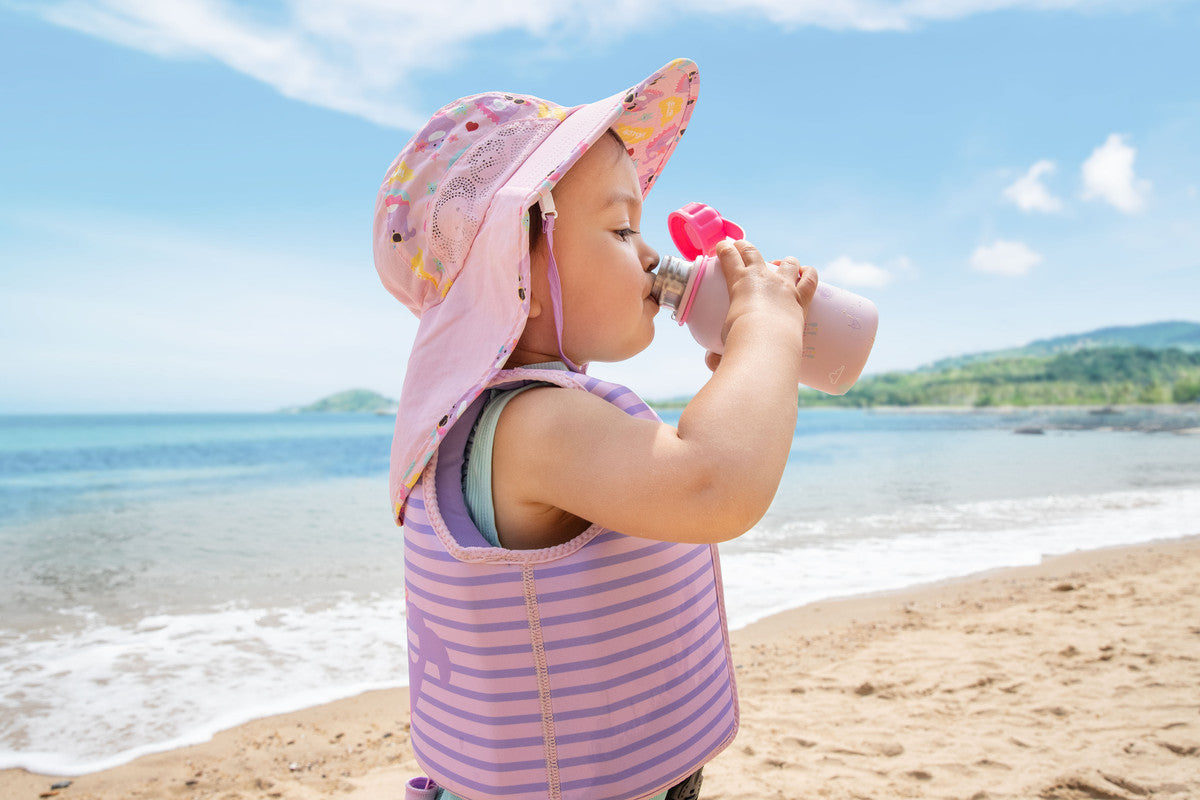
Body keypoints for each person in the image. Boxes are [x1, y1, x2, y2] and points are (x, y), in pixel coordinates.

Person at [373, 58, 817, 800]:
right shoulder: (536, 424)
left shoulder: (505, 418)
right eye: (620, 227)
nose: (649, 254)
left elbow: (699, 461)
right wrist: (765, 327)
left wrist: (740, 371)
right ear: (515, 269)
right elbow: (714, 483)